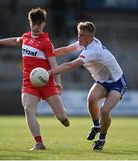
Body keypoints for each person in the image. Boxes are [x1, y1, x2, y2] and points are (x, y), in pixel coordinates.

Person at [0, 7, 70, 151]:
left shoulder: (46, 42)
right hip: (29, 82)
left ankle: (62, 115)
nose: (36, 26)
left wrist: (58, 83)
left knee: (61, 117)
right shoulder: (26, 37)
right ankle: (39, 143)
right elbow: (15, 41)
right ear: (30, 23)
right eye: (33, 23)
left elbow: (54, 65)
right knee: (28, 109)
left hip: (47, 82)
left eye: (39, 24)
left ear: (44, 24)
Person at [49, 21, 128, 150]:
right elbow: (66, 49)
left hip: (117, 82)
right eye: (79, 34)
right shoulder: (86, 43)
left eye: (82, 35)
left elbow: (71, 65)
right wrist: (47, 54)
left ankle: (101, 139)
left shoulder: (93, 50)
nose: (79, 38)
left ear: (90, 36)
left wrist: (51, 72)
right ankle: (96, 125)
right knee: (91, 99)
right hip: (102, 81)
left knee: (104, 110)